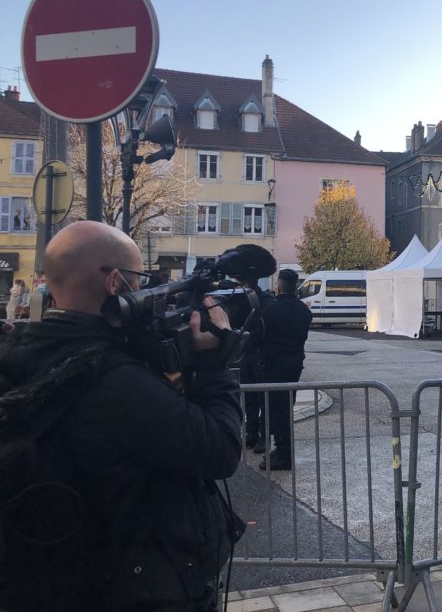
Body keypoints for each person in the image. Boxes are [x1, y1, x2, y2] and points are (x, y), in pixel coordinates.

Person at [0, 221, 242, 612]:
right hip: (133, 585)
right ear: (115, 282)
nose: (143, 288)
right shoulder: (114, 380)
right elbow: (220, 450)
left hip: (52, 577)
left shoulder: (21, 351)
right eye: (138, 278)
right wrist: (215, 365)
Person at [257, 268, 313, 471]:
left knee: (277, 409)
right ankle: (282, 448)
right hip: (295, 362)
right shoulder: (303, 310)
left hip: (275, 365)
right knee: (286, 406)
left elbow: (260, 338)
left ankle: (284, 453)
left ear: (278, 286)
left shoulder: (271, 310)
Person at [229, 249, 277, 452]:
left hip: (260, 355)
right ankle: (251, 432)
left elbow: (266, 327)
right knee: (249, 397)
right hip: (246, 354)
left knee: (261, 398)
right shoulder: (240, 298)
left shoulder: (264, 300)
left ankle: (264, 437)